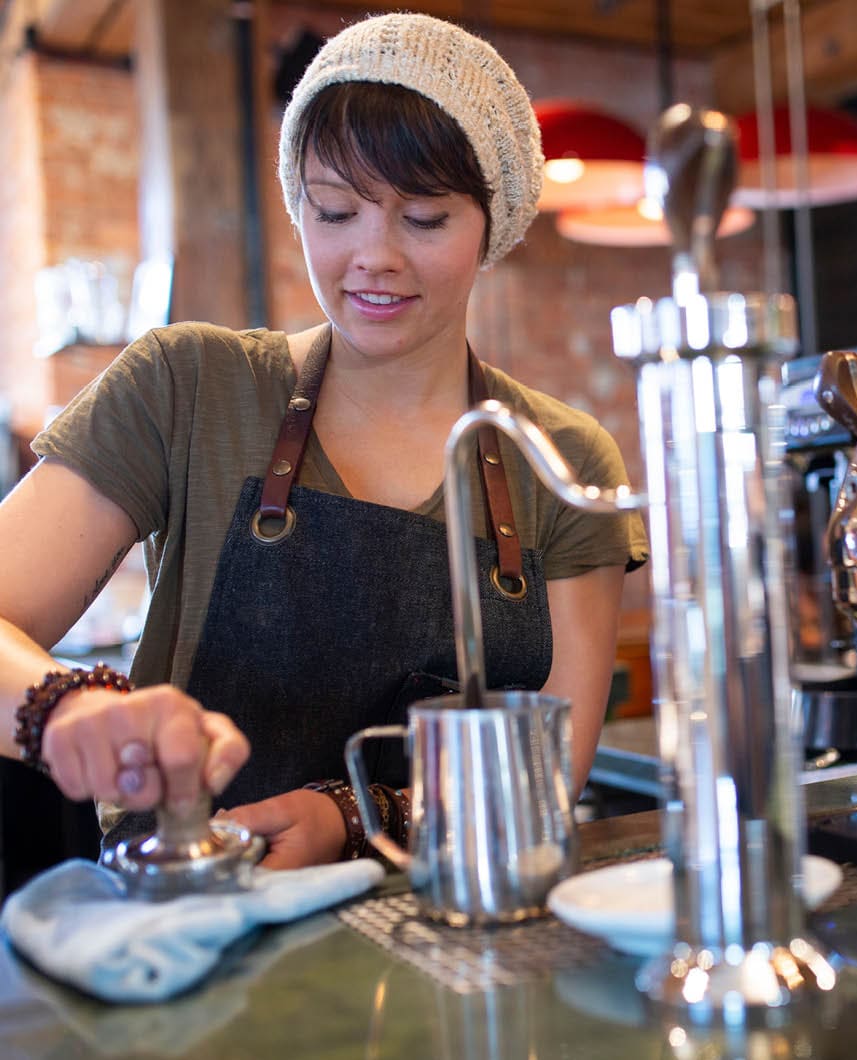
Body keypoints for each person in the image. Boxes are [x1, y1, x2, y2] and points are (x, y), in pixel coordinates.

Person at [0, 13, 646, 870]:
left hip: (461, 926)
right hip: (194, 920)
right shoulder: (188, 384)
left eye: (424, 218)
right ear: (296, 198)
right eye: (335, 210)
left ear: (495, 225)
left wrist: (352, 816)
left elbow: (550, 769)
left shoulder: (563, 458)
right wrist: (65, 705)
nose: (371, 256)